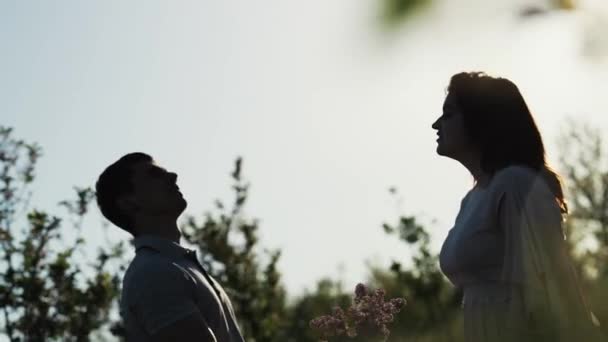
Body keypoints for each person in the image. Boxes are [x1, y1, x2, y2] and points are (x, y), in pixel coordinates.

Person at [434, 72, 601, 341]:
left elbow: (556, 280)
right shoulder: (472, 199)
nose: (436, 124)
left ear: (482, 120)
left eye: (449, 114)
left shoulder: (515, 184)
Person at [95, 153, 245, 342]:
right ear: (128, 203)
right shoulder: (152, 273)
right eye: (154, 174)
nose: (172, 176)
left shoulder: (175, 266)